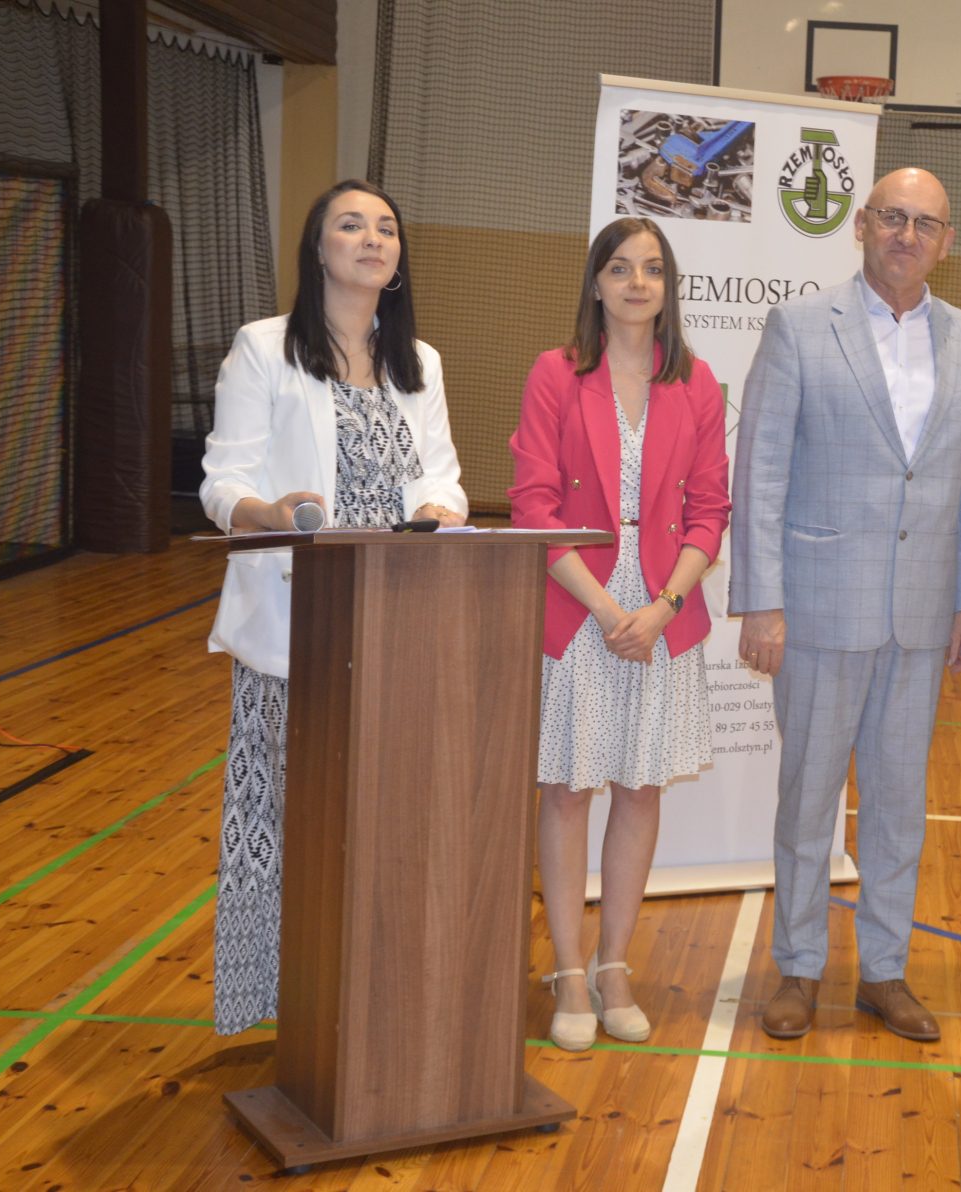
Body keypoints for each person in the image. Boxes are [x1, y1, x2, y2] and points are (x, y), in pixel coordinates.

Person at [730, 167, 961, 1043]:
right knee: (809, 799)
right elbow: (761, 470)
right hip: (817, 608)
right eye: (893, 217)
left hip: (922, 615)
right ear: (861, 224)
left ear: (947, 243)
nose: (907, 235)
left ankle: (884, 970)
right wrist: (762, 602)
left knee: (897, 805)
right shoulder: (801, 327)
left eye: (926, 224)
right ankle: (799, 966)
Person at [200, 179, 468, 1036]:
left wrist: (443, 509)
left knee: (387, 818)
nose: (372, 238)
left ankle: (379, 1000)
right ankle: (295, 1009)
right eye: (351, 225)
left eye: (386, 227)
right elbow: (221, 481)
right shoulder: (264, 348)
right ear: (318, 248)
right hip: (300, 629)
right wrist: (269, 514)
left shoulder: (420, 362)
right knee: (296, 823)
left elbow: (442, 475)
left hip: (400, 625)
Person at [509, 216, 730, 1051]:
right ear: (596, 284)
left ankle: (613, 966)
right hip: (582, 612)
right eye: (621, 269)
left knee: (639, 790)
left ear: (668, 288)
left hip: (662, 616)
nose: (638, 283)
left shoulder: (696, 382)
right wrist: (607, 610)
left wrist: (663, 606)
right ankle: (568, 972)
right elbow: (533, 506)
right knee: (568, 791)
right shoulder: (555, 374)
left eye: (653, 270)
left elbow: (711, 510)